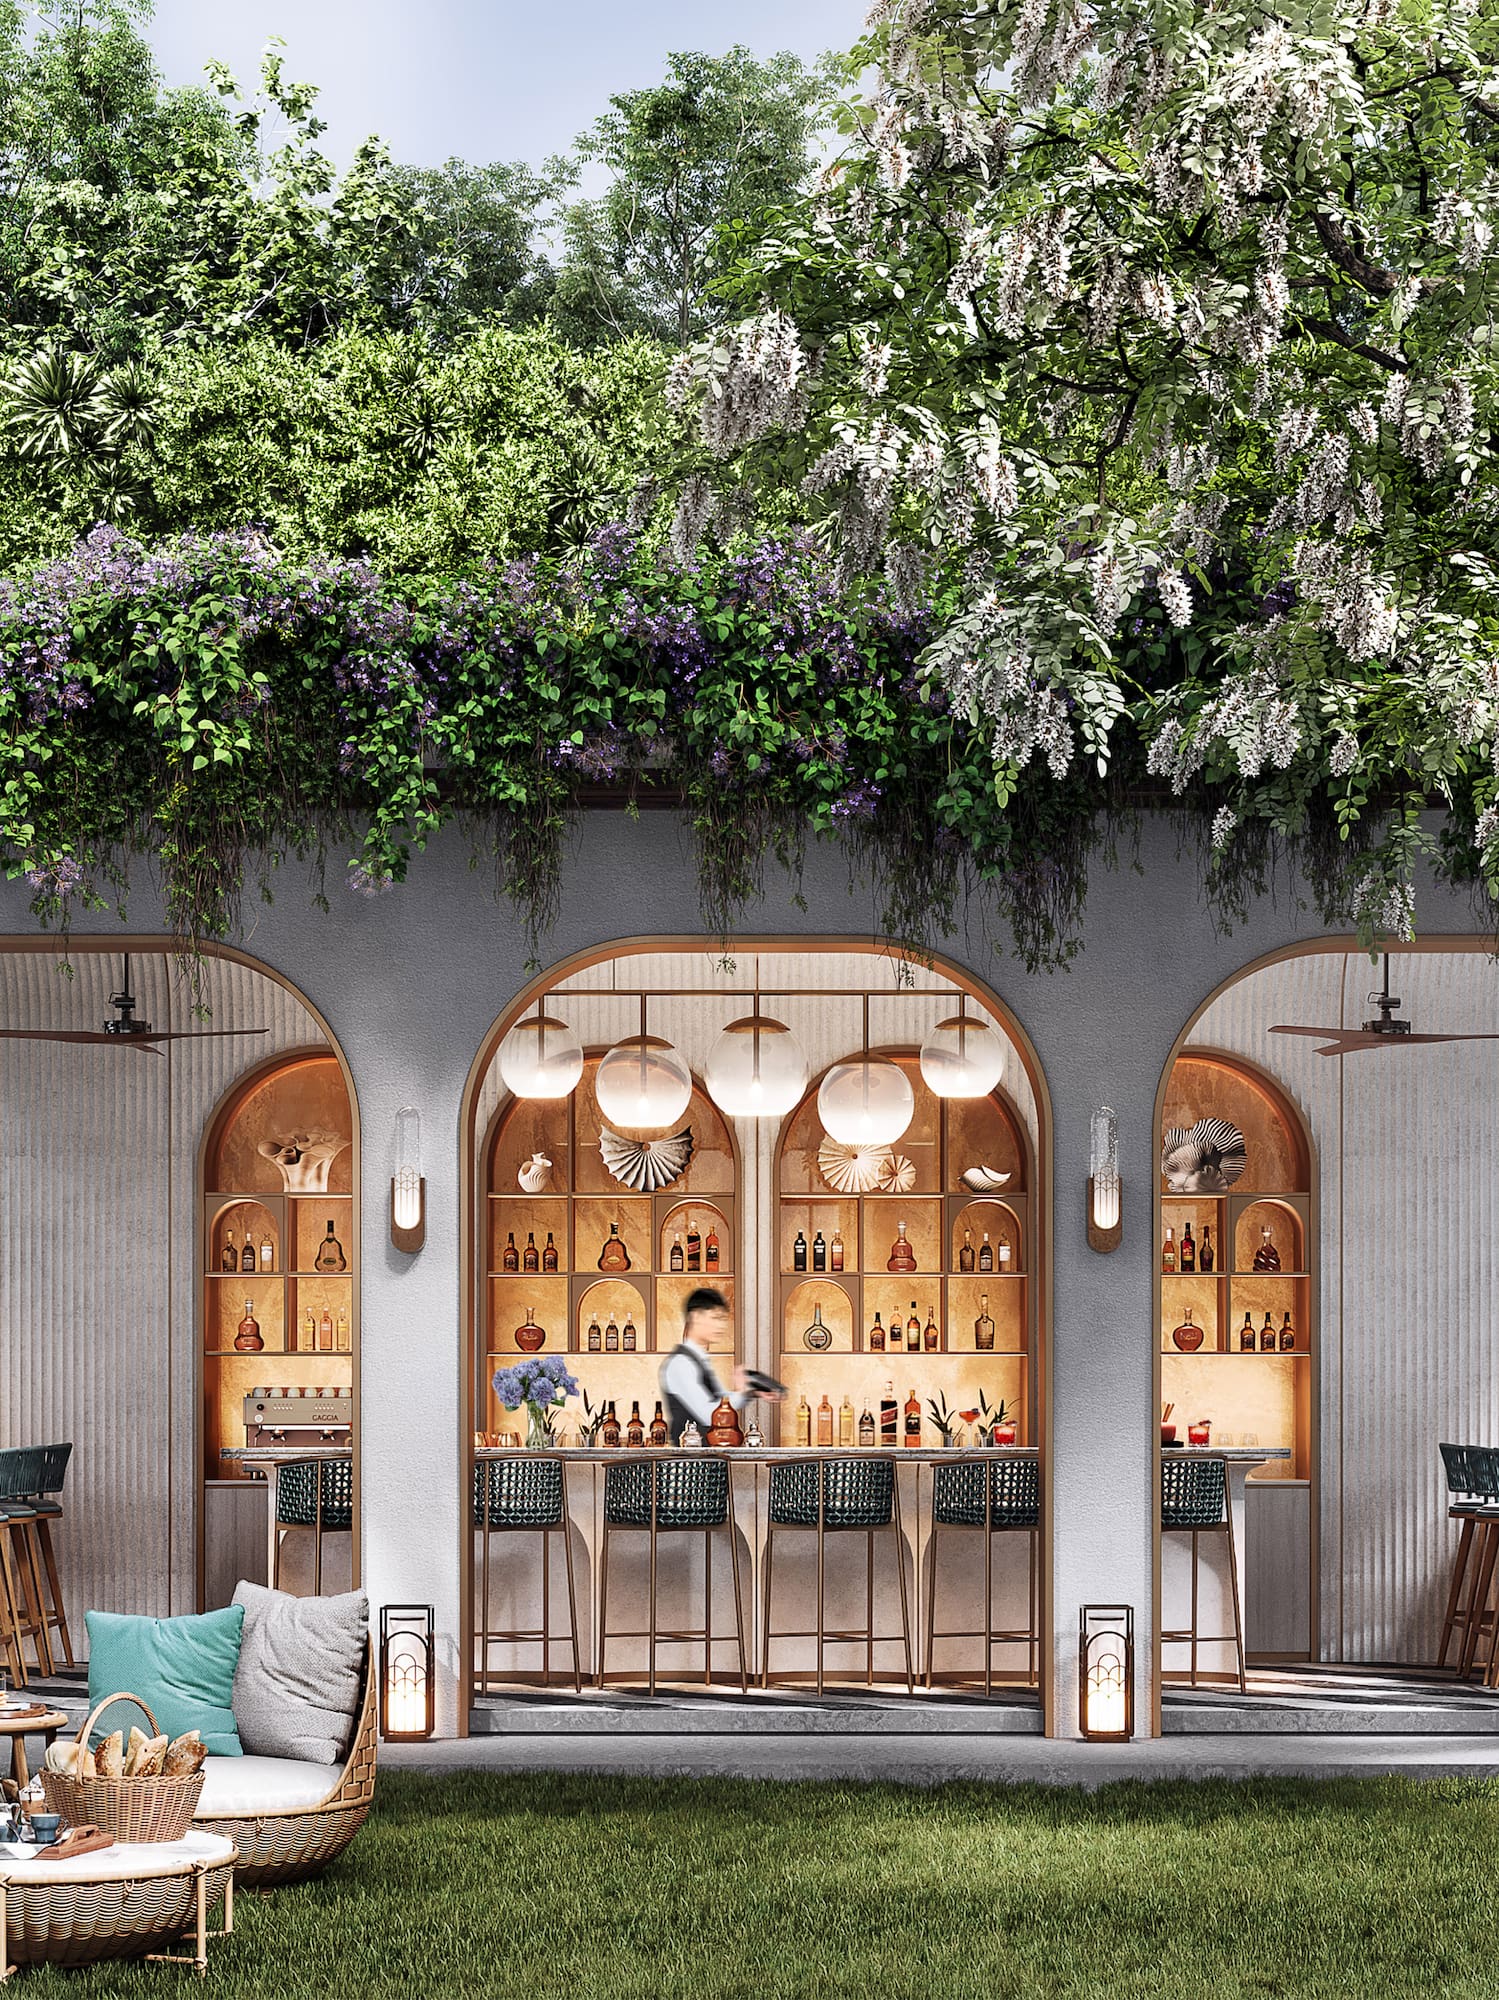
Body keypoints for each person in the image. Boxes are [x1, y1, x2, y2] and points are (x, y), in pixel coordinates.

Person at [658, 1287, 749, 1444]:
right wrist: (743, 1393)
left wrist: (747, 1392)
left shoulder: (699, 1361)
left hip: (705, 1462)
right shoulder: (681, 1363)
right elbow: (708, 1414)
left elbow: (721, 1401)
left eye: (723, 1319)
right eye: (715, 1318)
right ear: (696, 1317)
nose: (721, 1326)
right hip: (690, 1464)